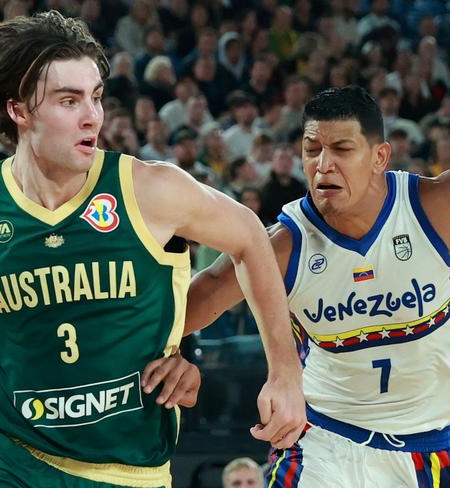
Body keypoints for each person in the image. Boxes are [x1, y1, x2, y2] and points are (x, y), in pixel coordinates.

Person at [0, 11, 303, 487]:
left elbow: (251, 238)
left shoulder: (149, 190)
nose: (93, 116)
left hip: (126, 467)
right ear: (19, 110)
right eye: (69, 101)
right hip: (12, 455)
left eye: (96, 97)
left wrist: (284, 373)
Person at [186, 86, 450, 486]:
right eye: (312, 150)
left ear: (379, 157)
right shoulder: (282, 246)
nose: (323, 165)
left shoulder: (434, 208)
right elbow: (195, 300)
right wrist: (162, 349)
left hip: (435, 438)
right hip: (327, 438)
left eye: (342, 149)